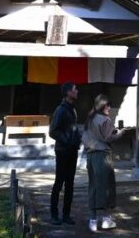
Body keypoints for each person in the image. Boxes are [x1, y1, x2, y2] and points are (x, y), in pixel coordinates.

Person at [83, 93, 124, 232]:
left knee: (93, 186)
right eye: (107, 105)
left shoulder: (90, 119)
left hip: (90, 155)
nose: (109, 107)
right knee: (106, 186)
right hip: (103, 155)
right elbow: (108, 138)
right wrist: (120, 133)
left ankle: (93, 220)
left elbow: (85, 137)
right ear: (102, 105)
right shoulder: (105, 119)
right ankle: (106, 219)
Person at [49, 81, 82, 225]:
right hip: (63, 151)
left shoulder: (73, 109)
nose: (77, 91)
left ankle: (66, 214)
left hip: (72, 151)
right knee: (59, 183)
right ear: (68, 92)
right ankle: (54, 214)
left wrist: (78, 138)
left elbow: (73, 128)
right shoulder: (61, 110)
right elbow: (53, 131)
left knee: (70, 183)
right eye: (75, 89)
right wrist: (67, 141)